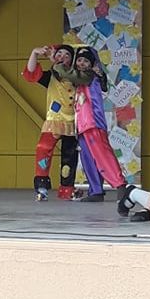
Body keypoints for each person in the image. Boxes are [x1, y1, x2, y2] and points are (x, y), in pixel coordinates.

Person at [55, 46, 128, 202]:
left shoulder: (89, 76)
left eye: (85, 61)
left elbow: (69, 74)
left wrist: (58, 65)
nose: (81, 63)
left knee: (103, 154)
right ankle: (96, 191)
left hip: (93, 123)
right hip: (82, 126)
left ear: (92, 64)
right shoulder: (80, 80)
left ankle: (121, 185)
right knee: (87, 158)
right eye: (79, 60)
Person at [22, 44, 79, 201]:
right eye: (59, 54)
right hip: (54, 121)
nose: (62, 57)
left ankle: (67, 189)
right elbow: (31, 74)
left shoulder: (77, 78)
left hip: (73, 123)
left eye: (66, 55)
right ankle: (41, 186)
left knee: (70, 156)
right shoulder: (51, 77)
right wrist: (34, 53)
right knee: (43, 149)